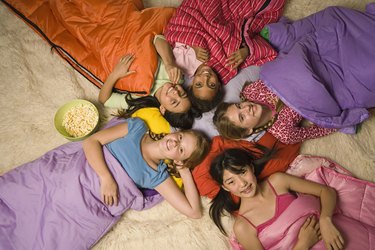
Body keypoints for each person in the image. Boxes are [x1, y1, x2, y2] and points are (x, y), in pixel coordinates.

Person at [0, 117, 210, 249]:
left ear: (179, 159)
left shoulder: (157, 175)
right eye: (180, 137)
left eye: (181, 149)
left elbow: (193, 212)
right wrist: (105, 177)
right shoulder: (137, 127)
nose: (175, 142)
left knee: (48, 238)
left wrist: (184, 171)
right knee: (19, 195)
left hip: (83, 205)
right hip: (77, 173)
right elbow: (91, 141)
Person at [209, 148, 375, 250]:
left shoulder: (278, 181)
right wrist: (303, 244)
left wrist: (326, 220)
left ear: (251, 168)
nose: (242, 183)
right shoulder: (243, 226)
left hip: (347, 234)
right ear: (225, 187)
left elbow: (326, 191)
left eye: (242, 172)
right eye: (231, 182)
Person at [99, 36, 202, 129]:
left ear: (162, 109)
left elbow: (104, 99)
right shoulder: (176, 76)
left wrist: (115, 74)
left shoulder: (140, 101)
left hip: (109, 52)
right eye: (182, 94)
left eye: (173, 101)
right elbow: (158, 38)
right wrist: (169, 63)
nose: (176, 93)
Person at [213, 80, 337, 144]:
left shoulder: (251, 91)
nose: (246, 108)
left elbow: (283, 71)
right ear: (248, 131)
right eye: (242, 117)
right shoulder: (284, 132)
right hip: (328, 94)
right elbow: (320, 130)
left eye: (239, 105)